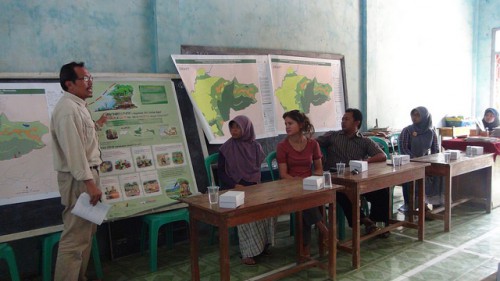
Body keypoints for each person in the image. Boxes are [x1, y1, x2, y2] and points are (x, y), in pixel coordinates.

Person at [51, 62, 108, 281]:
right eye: (85, 78)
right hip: (79, 180)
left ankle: (79, 277)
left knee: (86, 233)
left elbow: (84, 139)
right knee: (75, 238)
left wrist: (98, 125)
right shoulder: (67, 109)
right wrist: (89, 183)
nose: (90, 81)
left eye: (90, 77)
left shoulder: (78, 106)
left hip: (87, 176)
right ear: (69, 84)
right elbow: (74, 152)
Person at [316, 108, 389, 236]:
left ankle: (375, 222)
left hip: (356, 178)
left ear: (356, 122)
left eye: (346, 119)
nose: (343, 122)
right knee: (343, 193)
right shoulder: (333, 136)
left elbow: (382, 156)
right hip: (335, 179)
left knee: (382, 188)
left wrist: (365, 161)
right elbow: (313, 143)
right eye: (342, 119)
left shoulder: (364, 141)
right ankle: (365, 220)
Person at [217, 115, 274, 265]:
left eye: (237, 127)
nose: (234, 130)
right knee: (245, 212)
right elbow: (221, 173)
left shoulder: (255, 146)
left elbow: (256, 170)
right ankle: (247, 252)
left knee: (269, 208)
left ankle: (263, 246)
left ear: (246, 128)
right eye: (232, 127)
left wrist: (254, 185)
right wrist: (235, 185)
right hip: (232, 188)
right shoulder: (226, 148)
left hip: (253, 186)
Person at [276, 110, 329, 257]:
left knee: (308, 201)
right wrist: (299, 183)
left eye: (290, 123)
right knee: (305, 201)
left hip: (310, 184)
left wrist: (311, 180)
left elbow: (319, 169)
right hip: (290, 185)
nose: (287, 127)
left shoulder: (313, 144)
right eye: (285, 124)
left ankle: (305, 246)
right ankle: (324, 231)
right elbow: (283, 174)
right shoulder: (282, 146)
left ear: (300, 125)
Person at [398, 106, 441, 211]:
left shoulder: (431, 132)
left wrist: (434, 162)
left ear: (425, 117)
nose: (414, 117)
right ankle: (421, 204)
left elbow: (435, 149)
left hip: (426, 162)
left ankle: (436, 201)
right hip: (410, 162)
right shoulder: (407, 131)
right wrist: (416, 159)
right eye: (413, 115)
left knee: (440, 174)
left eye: (418, 115)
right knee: (418, 175)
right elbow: (403, 149)